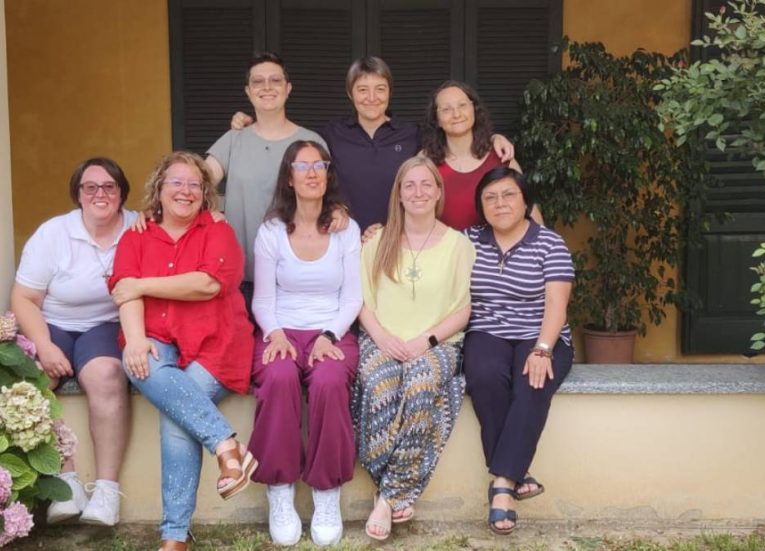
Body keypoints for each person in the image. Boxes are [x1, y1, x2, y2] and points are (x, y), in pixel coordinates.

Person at [109, 151, 257, 551]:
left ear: (205, 193)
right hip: (155, 338)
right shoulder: (137, 235)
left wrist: (143, 284)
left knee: (177, 418)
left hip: (217, 344)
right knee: (144, 367)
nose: (185, 191)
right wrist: (136, 340)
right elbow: (124, 290)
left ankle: (175, 535)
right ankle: (227, 446)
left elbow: (208, 284)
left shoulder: (217, 231)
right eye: (175, 182)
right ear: (159, 189)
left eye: (194, 184)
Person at [233, 57, 515, 229]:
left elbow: (456, 135)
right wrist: (252, 122)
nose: (372, 97)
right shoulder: (330, 134)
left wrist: (493, 138)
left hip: (399, 243)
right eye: (362, 89)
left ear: (390, 93)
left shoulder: (412, 134)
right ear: (349, 93)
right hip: (343, 239)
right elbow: (288, 138)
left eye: (380, 89)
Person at [353, 155, 474, 541]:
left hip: (439, 341)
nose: (418, 192)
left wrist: (426, 340)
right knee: (378, 385)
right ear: (399, 194)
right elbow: (361, 301)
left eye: (426, 184)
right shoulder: (377, 241)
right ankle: (395, 488)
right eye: (410, 186)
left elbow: (465, 307)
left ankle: (387, 497)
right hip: (381, 337)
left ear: (439, 192)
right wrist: (383, 338)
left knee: (422, 384)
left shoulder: (458, 245)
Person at [10, 157, 136, 526]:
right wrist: (45, 346)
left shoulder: (138, 226)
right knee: (34, 379)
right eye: (90, 187)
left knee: (106, 375)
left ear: (122, 194)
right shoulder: (53, 233)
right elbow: (23, 298)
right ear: (78, 194)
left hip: (106, 324)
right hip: (54, 322)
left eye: (110, 186)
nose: (101, 194)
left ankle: (107, 491)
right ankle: (65, 483)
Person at [248, 141, 362, 546]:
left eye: (319, 165)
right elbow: (262, 299)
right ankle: (279, 492)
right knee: (278, 378)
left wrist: (329, 335)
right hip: (281, 330)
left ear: (328, 174)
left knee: (330, 383)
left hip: (332, 330)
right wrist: (275, 333)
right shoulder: (272, 231)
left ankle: (326, 493)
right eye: (302, 165)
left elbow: (352, 298)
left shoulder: (347, 228)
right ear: (289, 176)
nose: (311, 172)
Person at [462, 167, 574, 535]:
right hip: (487, 330)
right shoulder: (467, 240)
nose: (500, 204)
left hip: (541, 333)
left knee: (532, 382)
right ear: (481, 206)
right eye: (490, 198)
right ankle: (517, 472)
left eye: (509, 195)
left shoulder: (549, 243)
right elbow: (424, 244)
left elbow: (556, 305)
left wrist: (542, 349)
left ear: (525, 201)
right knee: (483, 376)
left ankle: (502, 488)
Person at [205, 52, 329, 306]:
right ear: (248, 91)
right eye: (258, 82)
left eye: (275, 80)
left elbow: (330, 196)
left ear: (288, 88)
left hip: (296, 278)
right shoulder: (233, 140)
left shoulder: (311, 143)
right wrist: (210, 212)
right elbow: (195, 185)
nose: (267, 87)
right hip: (241, 277)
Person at [421, 80, 542, 230]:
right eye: (446, 109)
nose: (456, 114)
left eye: (462, 105)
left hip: (496, 252)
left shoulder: (501, 157)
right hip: (447, 251)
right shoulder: (426, 161)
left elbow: (529, 210)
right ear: (436, 119)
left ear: (474, 110)